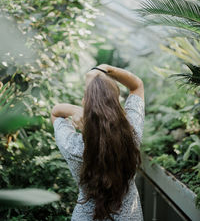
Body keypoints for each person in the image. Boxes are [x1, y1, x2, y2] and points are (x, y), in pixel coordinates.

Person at [51, 64, 145, 221]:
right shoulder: (131, 134)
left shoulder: (73, 146)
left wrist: (78, 111)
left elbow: (56, 112)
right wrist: (105, 68)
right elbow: (137, 85)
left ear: (84, 103)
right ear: (116, 104)